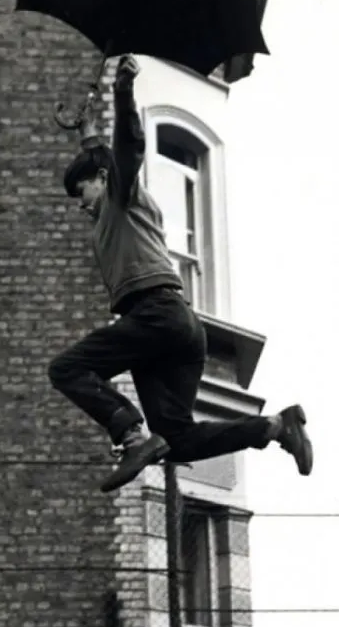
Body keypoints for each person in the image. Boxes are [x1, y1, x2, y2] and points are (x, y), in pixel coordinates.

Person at [49, 54, 313, 493]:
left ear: (102, 179)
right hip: (179, 329)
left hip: (154, 314)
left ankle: (131, 434)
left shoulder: (122, 196)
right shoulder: (115, 211)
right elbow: (100, 156)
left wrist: (123, 91)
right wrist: (83, 130)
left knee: (66, 369)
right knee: (178, 441)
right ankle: (273, 428)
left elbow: (126, 150)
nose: (82, 204)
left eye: (82, 192)